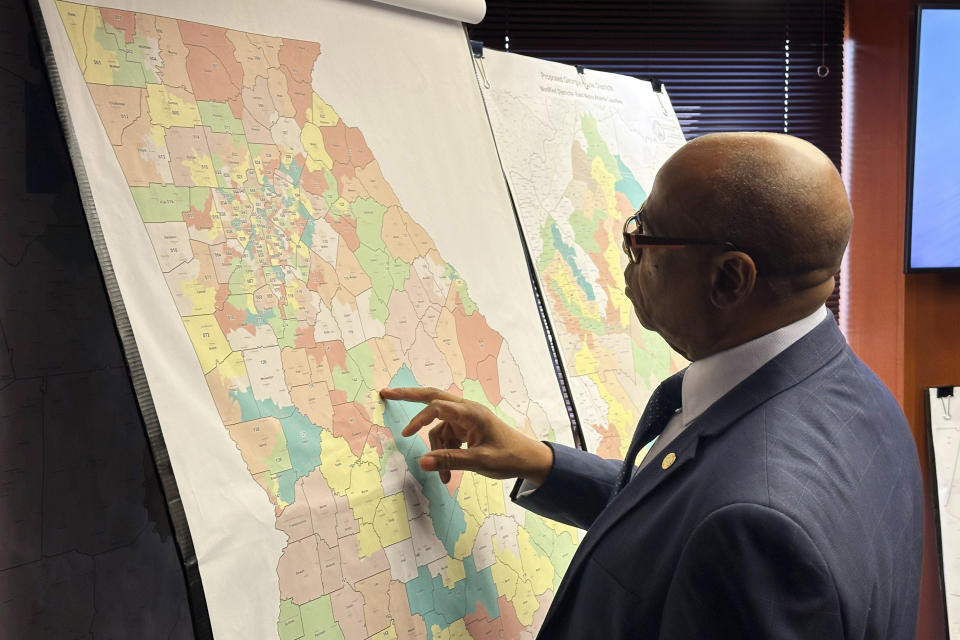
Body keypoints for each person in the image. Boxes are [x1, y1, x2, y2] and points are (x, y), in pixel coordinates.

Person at [380, 132, 923, 639]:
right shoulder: (866, 405)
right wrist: (544, 464)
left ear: (730, 278)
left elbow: (729, 523)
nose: (629, 247)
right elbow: (683, 530)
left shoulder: (754, 530)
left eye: (645, 235)